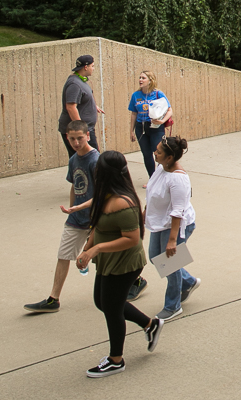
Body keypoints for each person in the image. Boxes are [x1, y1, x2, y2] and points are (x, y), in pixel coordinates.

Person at [77, 150, 161, 377]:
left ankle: (116, 360)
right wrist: (87, 249)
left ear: (103, 173)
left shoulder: (123, 202)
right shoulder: (105, 195)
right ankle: (150, 325)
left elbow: (132, 239)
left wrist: (96, 249)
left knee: (111, 308)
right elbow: (97, 226)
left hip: (125, 263)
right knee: (102, 301)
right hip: (108, 260)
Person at [24, 120, 101, 314]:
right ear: (67, 138)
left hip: (95, 219)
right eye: (72, 139)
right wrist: (72, 207)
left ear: (88, 136)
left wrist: (80, 209)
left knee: (107, 256)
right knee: (63, 255)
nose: (76, 142)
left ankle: (136, 280)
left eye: (80, 138)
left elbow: (101, 194)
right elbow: (75, 185)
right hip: (76, 219)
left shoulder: (95, 160)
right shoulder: (74, 159)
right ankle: (53, 299)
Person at [144, 136, 199, 322]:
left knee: (170, 264)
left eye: (158, 152)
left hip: (176, 225)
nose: (155, 153)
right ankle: (189, 281)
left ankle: (172, 306)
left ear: (169, 158)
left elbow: (178, 212)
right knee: (155, 258)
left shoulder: (178, 179)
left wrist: (172, 241)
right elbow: (152, 191)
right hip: (160, 222)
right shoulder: (161, 168)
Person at [129, 70, 172, 179]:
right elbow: (134, 114)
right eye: (140, 77)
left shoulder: (158, 94)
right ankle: (152, 179)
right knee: (146, 154)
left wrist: (162, 122)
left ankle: (161, 178)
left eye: (143, 78)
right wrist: (131, 131)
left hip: (156, 127)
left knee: (159, 153)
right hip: (141, 127)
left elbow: (169, 110)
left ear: (150, 81)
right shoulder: (135, 95)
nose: (140, 80)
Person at [59, 54, 103, 155]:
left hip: (86, 129)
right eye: (92, 66)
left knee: (91, 159)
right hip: (79, 132)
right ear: (85, 67)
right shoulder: (75, 84)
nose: (94, 68)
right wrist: (81, 129)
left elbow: (82, 99)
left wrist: (93, 106)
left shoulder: (80, 81)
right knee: (87, 160)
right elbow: (70, 107)